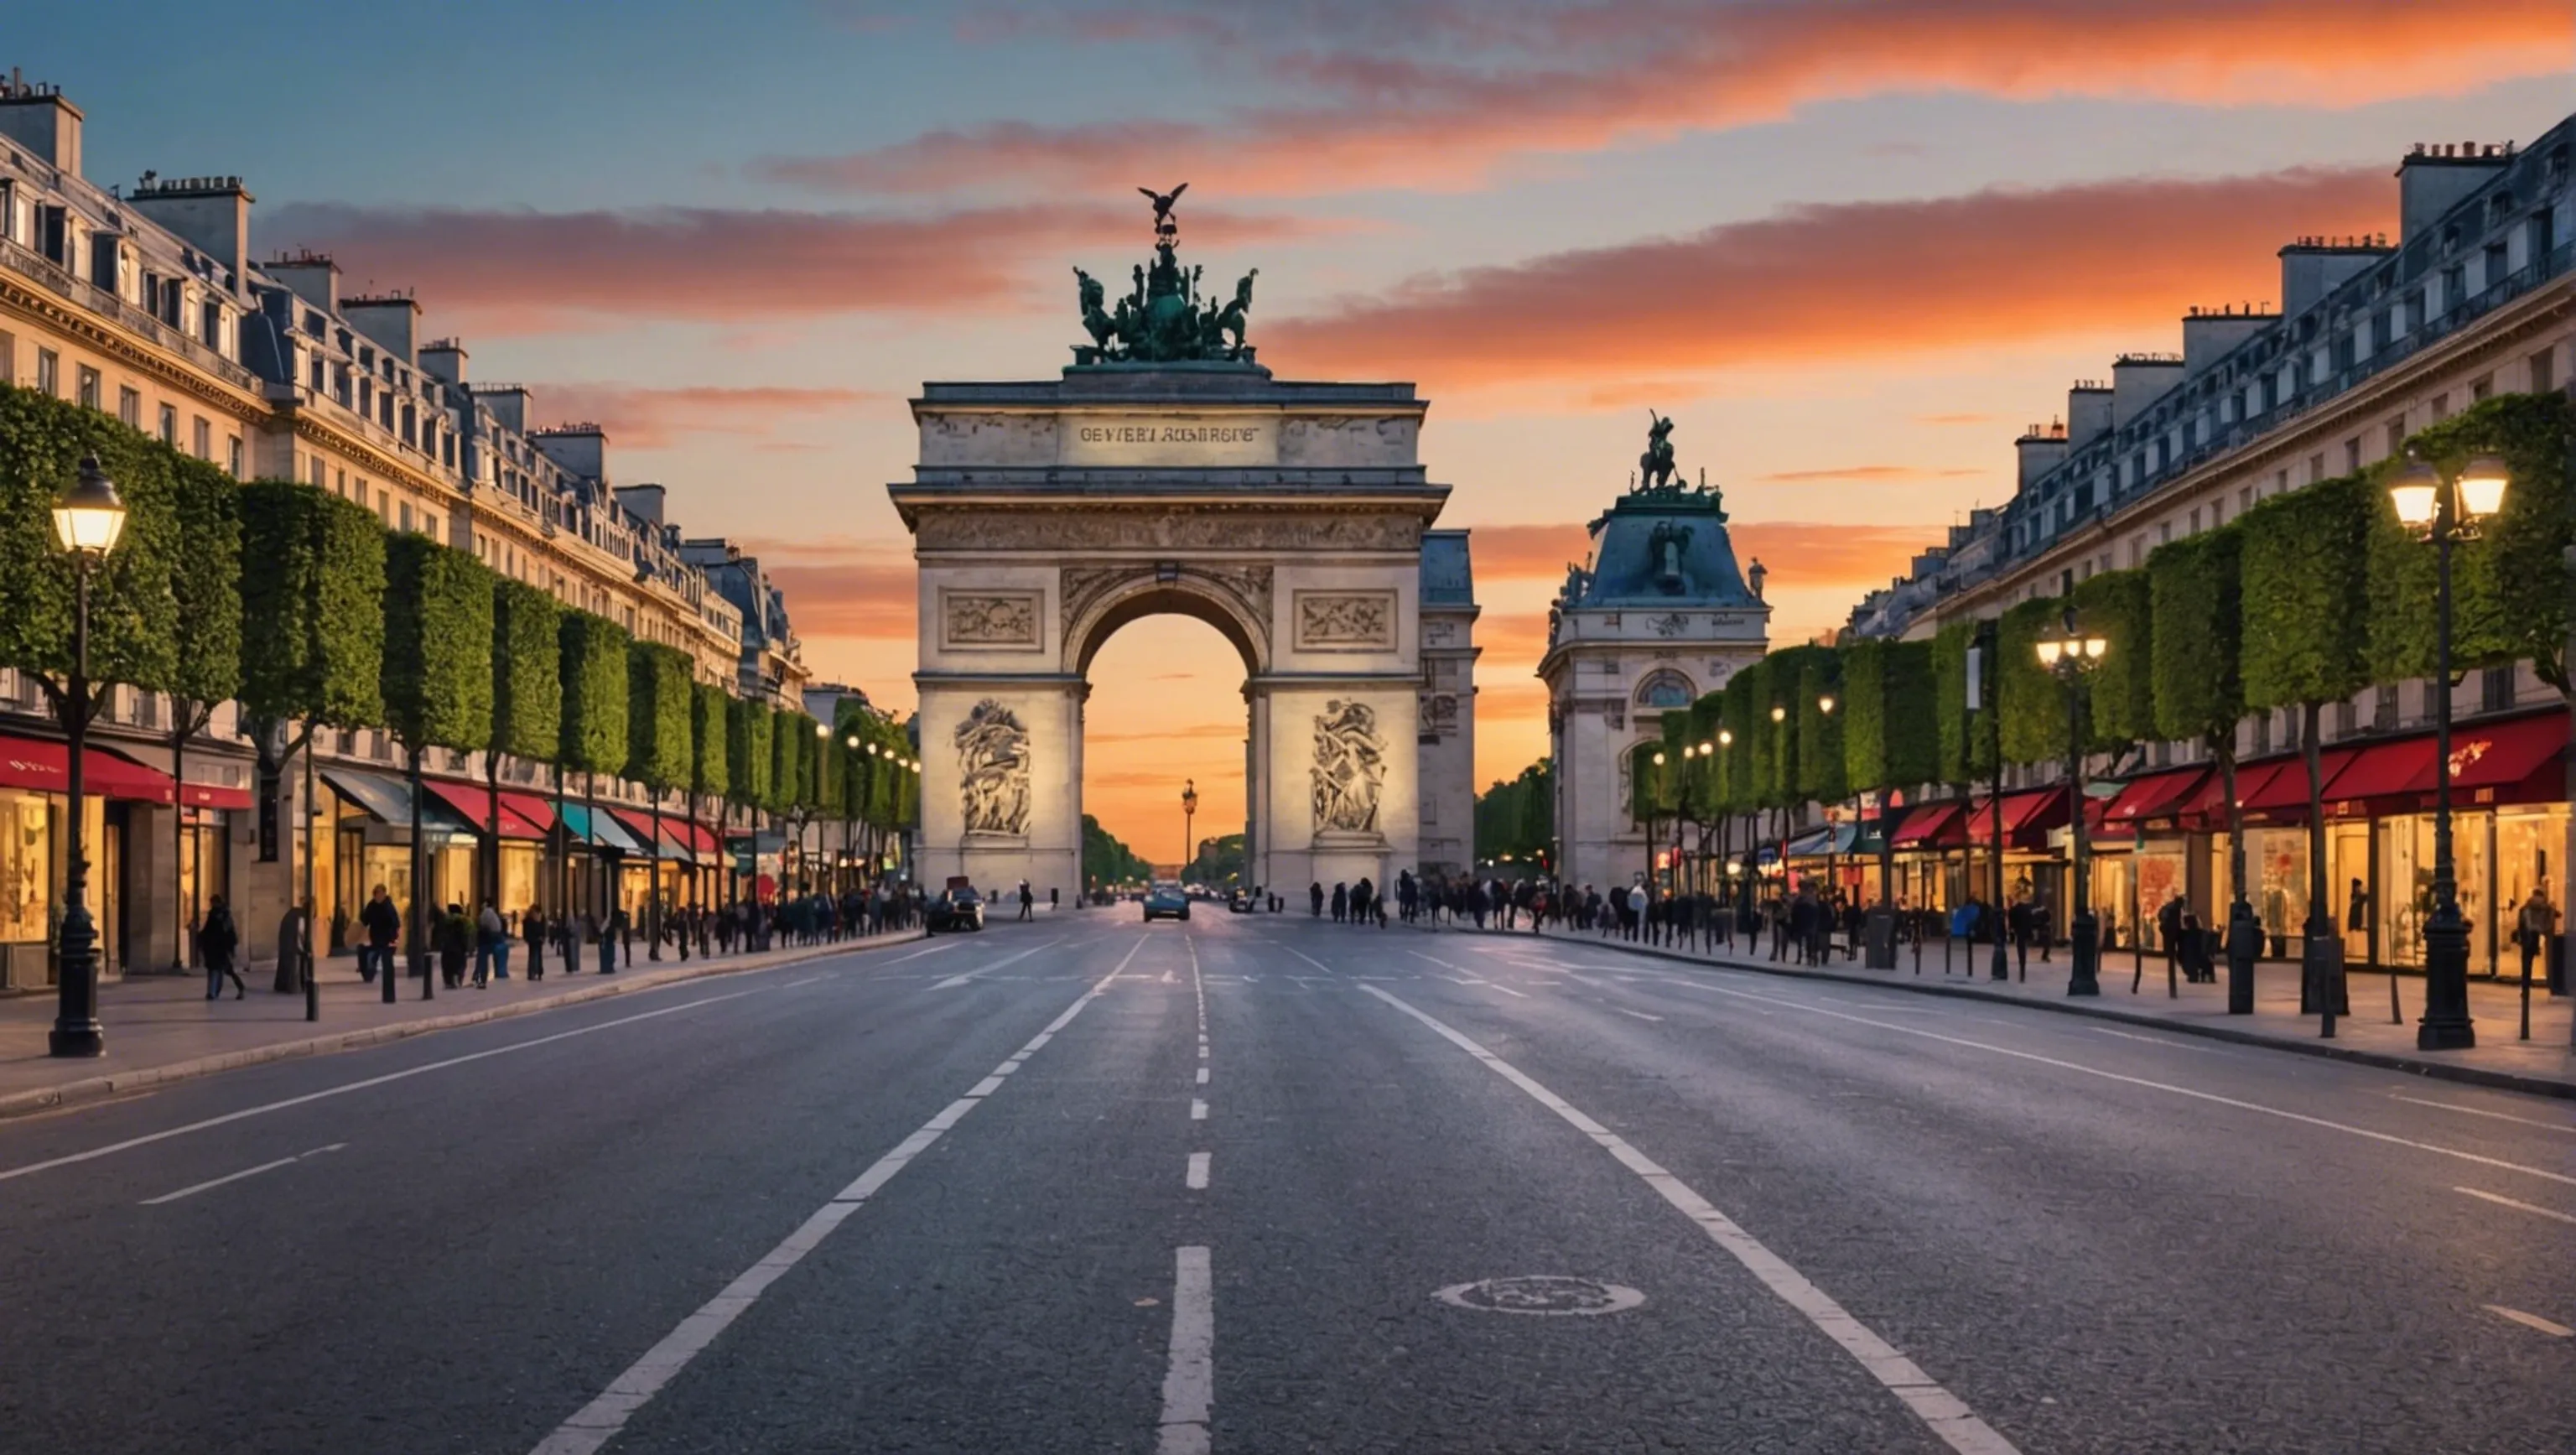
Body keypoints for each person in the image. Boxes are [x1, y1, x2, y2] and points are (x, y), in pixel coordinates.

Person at [200, 893, 244, 1000]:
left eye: (213, 902)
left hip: (222, 948)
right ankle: (213, 992)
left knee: (226, 970)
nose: (211, 904)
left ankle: (239, 988)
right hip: (215, 948)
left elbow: (228, 932)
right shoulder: (214, 915)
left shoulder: (224, 915)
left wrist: (230, 948)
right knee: (216, 970)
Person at [2516, 884, 2556, 990]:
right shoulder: (2546, 907)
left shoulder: (2526, 907)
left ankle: (2526, 984)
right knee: (2531, 959)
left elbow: (2521, 923)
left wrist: (2520, 937)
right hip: (2536, 935)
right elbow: (2551, 919)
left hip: (2528, 935)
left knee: (2526, 962)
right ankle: (2529, 983)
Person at [361, 886, 400, 985]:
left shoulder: (388, 906)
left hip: (388, 937)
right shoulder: (371, 906)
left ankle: (388, 978)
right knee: (372, 956)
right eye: (377, 893)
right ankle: (369, 976)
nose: (379, 896)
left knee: (386, 959)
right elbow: (365, 920)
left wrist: (394, 937)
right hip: (376, 936)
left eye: (381, 893)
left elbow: (395, 922)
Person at [437, 902, 471, 990]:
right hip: (458, 948)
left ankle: (448, 982)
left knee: (447, 966)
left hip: (447, 948)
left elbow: (440, 934)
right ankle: (457, 980)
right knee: (459, 965)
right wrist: (467, 947)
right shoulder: (463, 921)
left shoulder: (444, 920)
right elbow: (465, 935)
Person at [474, 901, 508, 987]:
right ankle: (480, 978)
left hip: (486, 938)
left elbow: (483, 924)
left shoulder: (486, 912)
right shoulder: (492, 913)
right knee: (484, 960)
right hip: (492, 938)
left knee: (482, 960)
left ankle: (480, 980)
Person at [523, 907, 548, 982]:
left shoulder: (541, 919)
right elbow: (528, 931)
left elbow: (543, 929)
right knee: (534, 956)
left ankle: (537, 972)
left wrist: (542, 937)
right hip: (533, 940)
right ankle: (533, 972)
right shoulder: (529, 920)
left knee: (537, 956)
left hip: (537, 940)